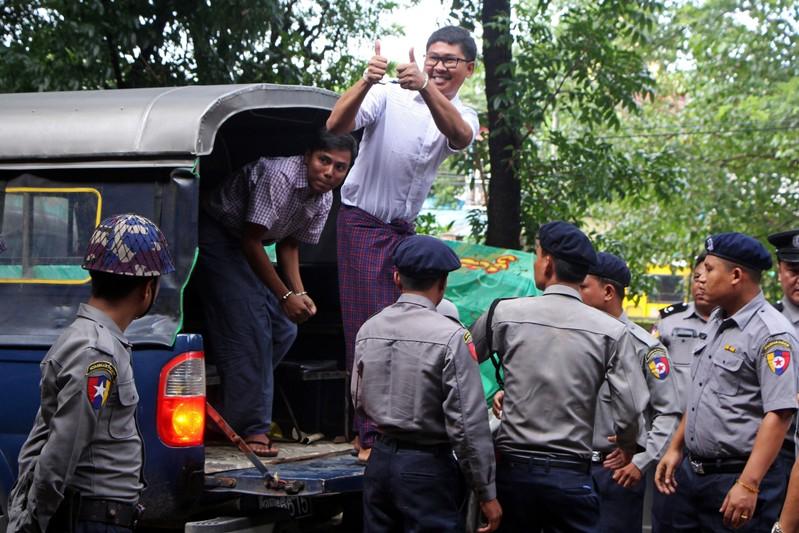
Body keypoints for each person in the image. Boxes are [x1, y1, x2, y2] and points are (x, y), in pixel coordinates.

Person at [326, 25, 480, 460]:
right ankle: (367, 435)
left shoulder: (461, 113)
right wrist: (366, 80)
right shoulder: (388, 95)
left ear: (468, 68)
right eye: (433, 57)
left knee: (420, 323)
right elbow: (335, 124)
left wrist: (428, 87)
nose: (439, 65)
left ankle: (405, 423)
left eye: (450, 60)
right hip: (362, 222)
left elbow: (461, 137)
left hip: (402, 234)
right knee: (368, 329)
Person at [470, 221, 649, 532]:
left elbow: (461, 364)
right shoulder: (612, 332)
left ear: (548, 262)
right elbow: (631, 406)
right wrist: (626, 443)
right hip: (572, 478)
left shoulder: (503, 314)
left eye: (537, 255)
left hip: (514, 475)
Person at [6, 214, 174, 533]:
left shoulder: (97, 341)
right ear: (147, 288)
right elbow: (64, 447)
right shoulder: (95, 350)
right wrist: (33, 524)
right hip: (93, 519)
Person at [199, 130, 358, 456]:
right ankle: (252, 429)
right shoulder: (279, 177)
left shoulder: (324, 196)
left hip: (247, 245)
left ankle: (230, 408)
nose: (329, 172)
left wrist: (299, 292)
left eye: (340, 167)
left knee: (284, 329)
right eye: (323, 161)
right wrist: (286, 297)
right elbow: (251, 240)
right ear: (308, 155)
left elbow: (288, 244)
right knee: (254, 329)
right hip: (217, 234)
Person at [352, 235, 501, 532]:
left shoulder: (369, 328)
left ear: (396, 278)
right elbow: (468, 425)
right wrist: (486, 492)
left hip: (379, 461)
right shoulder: (451, 337)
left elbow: (358, 399)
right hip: (426, 467)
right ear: (442, 284)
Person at [655, 232, 798, 531]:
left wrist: (748, 484)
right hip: (693, 474)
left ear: (735, 275)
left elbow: (781, 413)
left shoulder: (771, 333)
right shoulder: (718, 321)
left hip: (736, 476)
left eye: (709, 269)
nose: (700, 278)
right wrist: (675, 448)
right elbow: (700, 394)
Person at [579, 252, 682, 532]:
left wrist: (641, 461)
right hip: (570, 472)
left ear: (608, 292)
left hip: (615, 475)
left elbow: (668, 412)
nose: (576, 293)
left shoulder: (645, 349)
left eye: (583, 286)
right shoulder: (574, 341)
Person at [649, 251, 714, 532]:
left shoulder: (734, 326)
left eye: (708, 276)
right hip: (670, 439)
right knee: (667, 516)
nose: (701, 283)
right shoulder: (669, 322)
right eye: (696, 277)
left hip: (716, 445)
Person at [769, 229, 799, 533]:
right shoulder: (763, 324)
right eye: (793, 270)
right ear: (780, 271)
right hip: (771, 454)